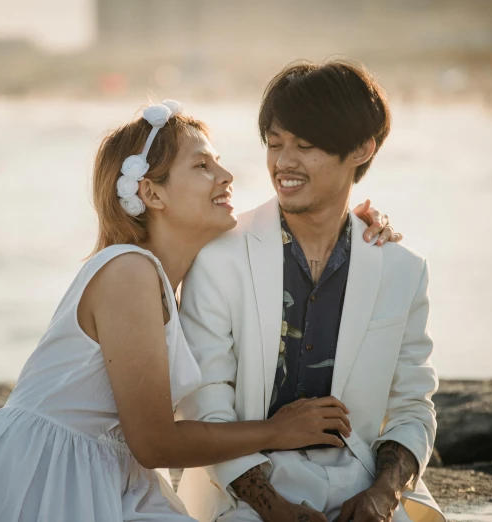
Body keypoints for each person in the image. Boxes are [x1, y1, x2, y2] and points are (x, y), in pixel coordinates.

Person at [0, 99, 399, 522]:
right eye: (203, 166)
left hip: (108, 469)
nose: (227, 176)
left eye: (220, 162)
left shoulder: (168, 276)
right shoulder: (129, 273)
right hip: (46, 473)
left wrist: (344, 227)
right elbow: (154, 442)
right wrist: (279, 430)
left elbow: (274, 248)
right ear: (151, 192)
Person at [175, 60, 443, 522]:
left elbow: (412, 404)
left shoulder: (401, 268)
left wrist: (383, 494)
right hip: (244, 491)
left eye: (306, 145)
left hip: (361, 483)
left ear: (361, 149)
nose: (283, 163)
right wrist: (273, 507)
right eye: (275, 144)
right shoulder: (219, 257)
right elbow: (204, 403)